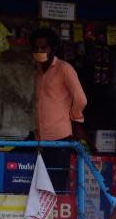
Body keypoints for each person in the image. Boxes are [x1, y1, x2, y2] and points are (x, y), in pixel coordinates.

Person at [29, 27, 88, 192]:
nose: (39, 51)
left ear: (52, 49)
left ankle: (60, 218)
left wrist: (74, 116)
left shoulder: (64, 69)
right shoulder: (39, 74)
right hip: (42, 141)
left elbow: (81, 99)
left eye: (43, 48)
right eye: (36, 48)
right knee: (43, 187)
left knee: (58, 186)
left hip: (60, 139)